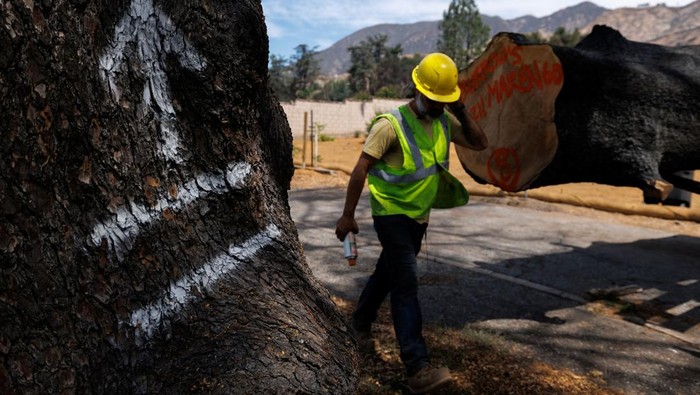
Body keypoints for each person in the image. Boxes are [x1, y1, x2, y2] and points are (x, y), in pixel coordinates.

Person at [335, 52, 488, 394]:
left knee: (386, 274)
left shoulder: (445, 121)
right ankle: (417, 368)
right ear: (419, 90)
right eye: (436, 100)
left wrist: (460, 108)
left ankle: (359, 324)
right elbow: (360, 168)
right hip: (390, 214)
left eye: (444, 101)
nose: (439, 106)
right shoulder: (390, 125)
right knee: (406, 284)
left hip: (419, 215)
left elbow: (480, 142)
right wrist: (348, 215)